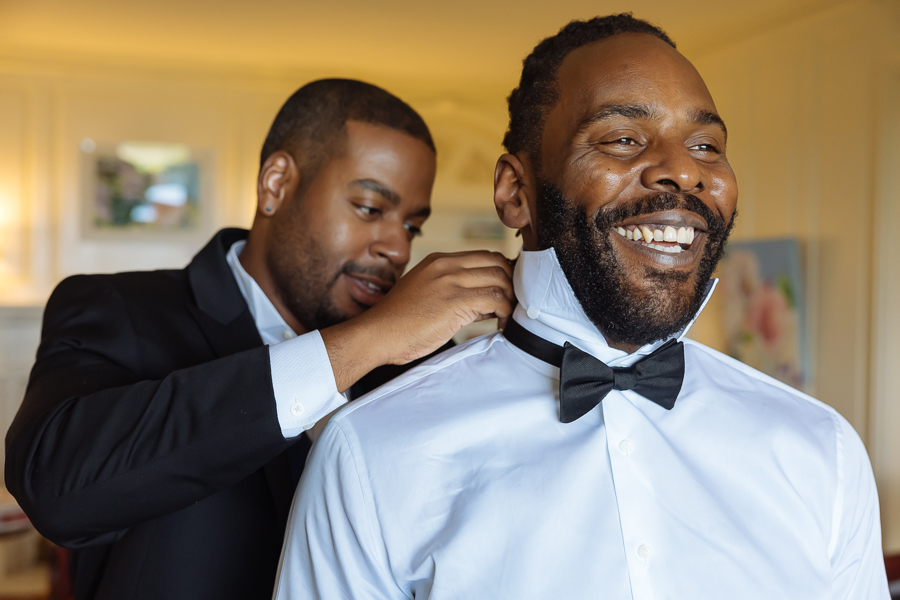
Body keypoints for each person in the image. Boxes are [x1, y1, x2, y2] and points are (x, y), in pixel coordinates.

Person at [274, 17, 890, 600]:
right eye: (624, 138)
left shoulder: (821, 450)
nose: (683, 170)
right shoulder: (372, 452)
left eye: (706, 145)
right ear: (516, 194)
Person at [5, 79, 515, 600]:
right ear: (276, 184)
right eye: (369, 208)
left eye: (413, 226)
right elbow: (58, 492)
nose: (397, 247)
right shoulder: (120, 309)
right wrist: (362, 343)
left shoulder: (415, 366)